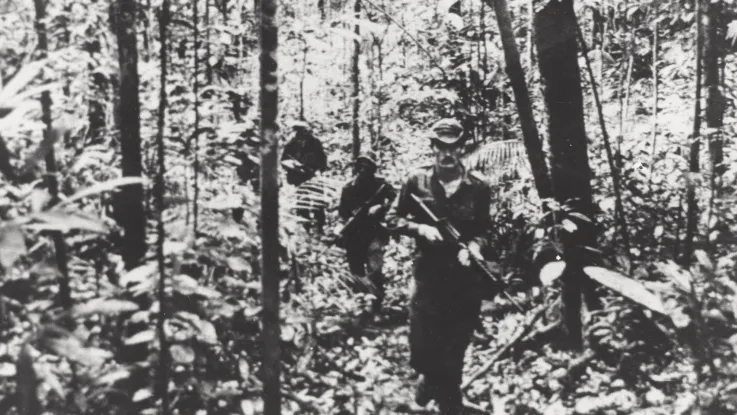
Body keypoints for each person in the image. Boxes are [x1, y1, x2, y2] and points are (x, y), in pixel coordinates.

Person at [390, 118, 494, 414]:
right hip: (428, 273)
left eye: (454, 147)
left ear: (462, 148)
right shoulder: (416, 180)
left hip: (464, 277)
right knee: (423, 341)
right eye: (441, 147)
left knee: (457, 340)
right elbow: (392, 219)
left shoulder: (478, 186)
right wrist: (419, 229)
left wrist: (474, 247)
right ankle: (430, 385)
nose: (447, 154)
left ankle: (448, 401)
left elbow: (486, 230)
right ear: (433, 147)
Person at [338, 151, 396, 314]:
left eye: (368, 166)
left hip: (374, 231)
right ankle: (361, 309)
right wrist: (347, 222)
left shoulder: (381, 184)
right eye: (361, 166)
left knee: (375, 270)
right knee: (356, 273)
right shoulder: (348, 188)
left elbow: (397, 201)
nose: (364, 170)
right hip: (354, 235)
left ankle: (376, 308)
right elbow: (343, 213)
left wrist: (381, 208)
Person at [281, 121, 328, 232]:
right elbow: (284, 160)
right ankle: (304, 226)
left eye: (301, 130)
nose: (299, 133)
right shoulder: (291, 144)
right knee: (302, 202)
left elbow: (322, 158)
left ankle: (320, 226)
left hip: (314, 175)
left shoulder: (315, 142)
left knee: (318, 201)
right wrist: (293, 167)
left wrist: (319, 170)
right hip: (299, 176)